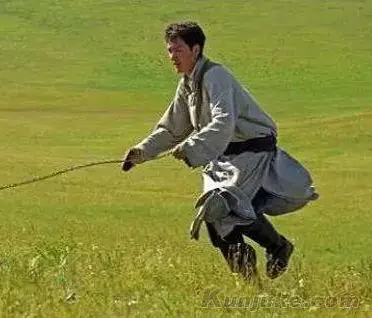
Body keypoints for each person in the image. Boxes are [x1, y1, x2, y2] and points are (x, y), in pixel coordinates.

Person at [121, 21, 318, 280]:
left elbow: (224, 121)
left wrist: (192, 146)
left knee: (221, 210)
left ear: (196, 49)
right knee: (218, 219)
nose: (172, 57)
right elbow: (172, 129)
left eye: (177, 50)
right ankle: (256, 275)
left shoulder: (216, 76)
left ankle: (272, 254)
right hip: (223, 159)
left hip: (251, 155)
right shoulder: (187, 84)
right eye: (169, 50)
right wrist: (141, 152)